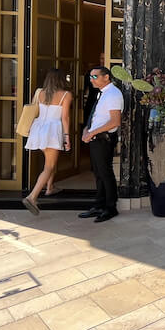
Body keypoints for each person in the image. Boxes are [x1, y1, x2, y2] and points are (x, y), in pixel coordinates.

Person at [22, 68, 71, 215]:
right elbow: (65, 118)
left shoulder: (39, 92)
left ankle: (50, 188)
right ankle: (32, 197)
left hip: (38, 129)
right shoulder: (66, 95)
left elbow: (32, 111)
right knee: (49, 166)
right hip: (52, 130)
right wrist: (66, 136)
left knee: (50, 161)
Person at [79, 66, 123, 222]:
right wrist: (86, 129)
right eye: (91, 77)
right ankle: (99, 205)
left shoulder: (113, 94)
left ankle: (110, 208)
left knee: (105, 173)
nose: (91, 80)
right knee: (98, 173)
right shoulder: (102, 93)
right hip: (95, 137)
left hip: (103, 139)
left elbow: (115, 121)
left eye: (95, 77)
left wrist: (92, 133)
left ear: (106, 77)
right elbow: (97, 116)